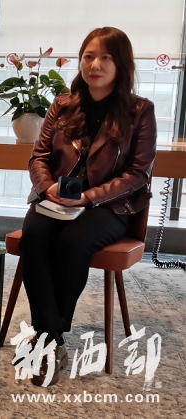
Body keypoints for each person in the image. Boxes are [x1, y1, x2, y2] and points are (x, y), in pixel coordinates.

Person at [20, 27, 157, 386]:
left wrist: (88, 197)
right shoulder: (63, 104)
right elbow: (38, 156)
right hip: (56, 199)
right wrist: (47, 187)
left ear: (121, 64)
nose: (95, 64)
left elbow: (138, 173)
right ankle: (51, 336)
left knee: (73, 241)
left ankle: (47, 338)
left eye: (105, 57)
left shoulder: (140, 111)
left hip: (109, 207)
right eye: (88, 56)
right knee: (34, 235)